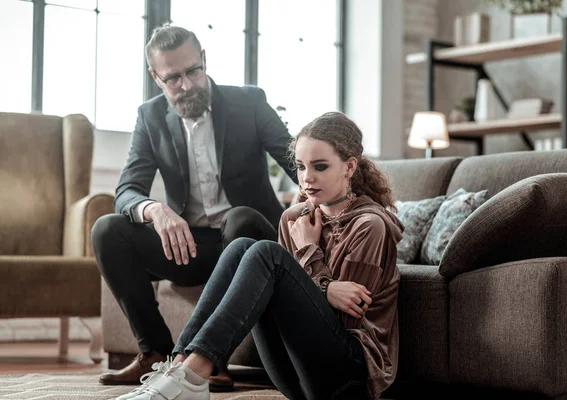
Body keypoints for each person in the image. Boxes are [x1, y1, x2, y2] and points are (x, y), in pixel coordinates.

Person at [112, 111, 404, 400]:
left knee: (267, 253)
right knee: (241, 247)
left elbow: (344, 317)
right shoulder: (294, 218)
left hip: (347, 380)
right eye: (301, 167)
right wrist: (326, 287)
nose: (306, 179)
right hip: (294, 375)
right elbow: (291, 302)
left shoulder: (370, 226)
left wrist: (308, 252)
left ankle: (191, 378)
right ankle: (178, 369)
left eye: (320, 167)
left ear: (349, 167)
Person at [91, 23, 296, 391]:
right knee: (107, 230)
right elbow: (127, 191)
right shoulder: (150, 116)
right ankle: (155, 353)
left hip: (250, 244)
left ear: (204, 60)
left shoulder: (248, 102)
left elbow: (295, 159)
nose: (186, 85)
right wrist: (155, 210)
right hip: (191, 245)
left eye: (193, 71)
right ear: (156, 77)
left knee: (240, 218)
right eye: (173, 78)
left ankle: (211, 357)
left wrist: (331, 197)